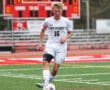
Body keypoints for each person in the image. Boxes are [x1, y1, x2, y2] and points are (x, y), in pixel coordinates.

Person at [36, 2, 73, 90]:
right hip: (50, 45)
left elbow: (70, 32)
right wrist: (40, 43)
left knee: (55, 69)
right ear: (52, 11)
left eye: (58, 11)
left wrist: (65, 38)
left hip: (61, 47)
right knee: (45, 62)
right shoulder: (48, 21)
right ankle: (45, 84)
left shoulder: (66, 21)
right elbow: (42, 31)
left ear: (61, 11)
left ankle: (47, 83)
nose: (57, 13)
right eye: (55, 11)